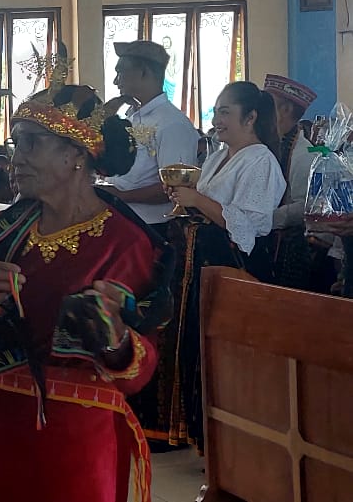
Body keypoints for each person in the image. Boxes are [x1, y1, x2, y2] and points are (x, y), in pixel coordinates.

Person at [0, 79, 173, 502]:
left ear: (75, 154)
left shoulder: (126, 242)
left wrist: (114, 339)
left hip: (76, 437)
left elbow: (142, 367)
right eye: (16, 143)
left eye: (30, 144)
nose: (15, 159)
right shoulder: (2, 232)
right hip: (1, 424)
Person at [136, 81, 286, 451]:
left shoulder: (261, 160)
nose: (217, 120)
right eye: (216, 111)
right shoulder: (219, 155)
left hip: (236, 267)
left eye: (225, 112)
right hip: (198, 262)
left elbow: (249, 225)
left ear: (250, 118)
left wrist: (197, 199)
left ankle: (231, 442)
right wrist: (187, 199)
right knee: (192, 345)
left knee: (224, 355)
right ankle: (194, 432)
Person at [102, 40, 201, 230]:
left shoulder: (172, 123)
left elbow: (176, 188)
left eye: (120, 72)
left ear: (143, 72)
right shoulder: (131, 115)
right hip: (123, 219)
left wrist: (122, 196)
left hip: (152, 226)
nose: (116, 81)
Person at [262, 75, 331, 291]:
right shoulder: (265, 145)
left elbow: (306, 206)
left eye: (268, 105)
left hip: (287, 248)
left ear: (286, 110)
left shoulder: (303, 155)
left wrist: (267, 218)